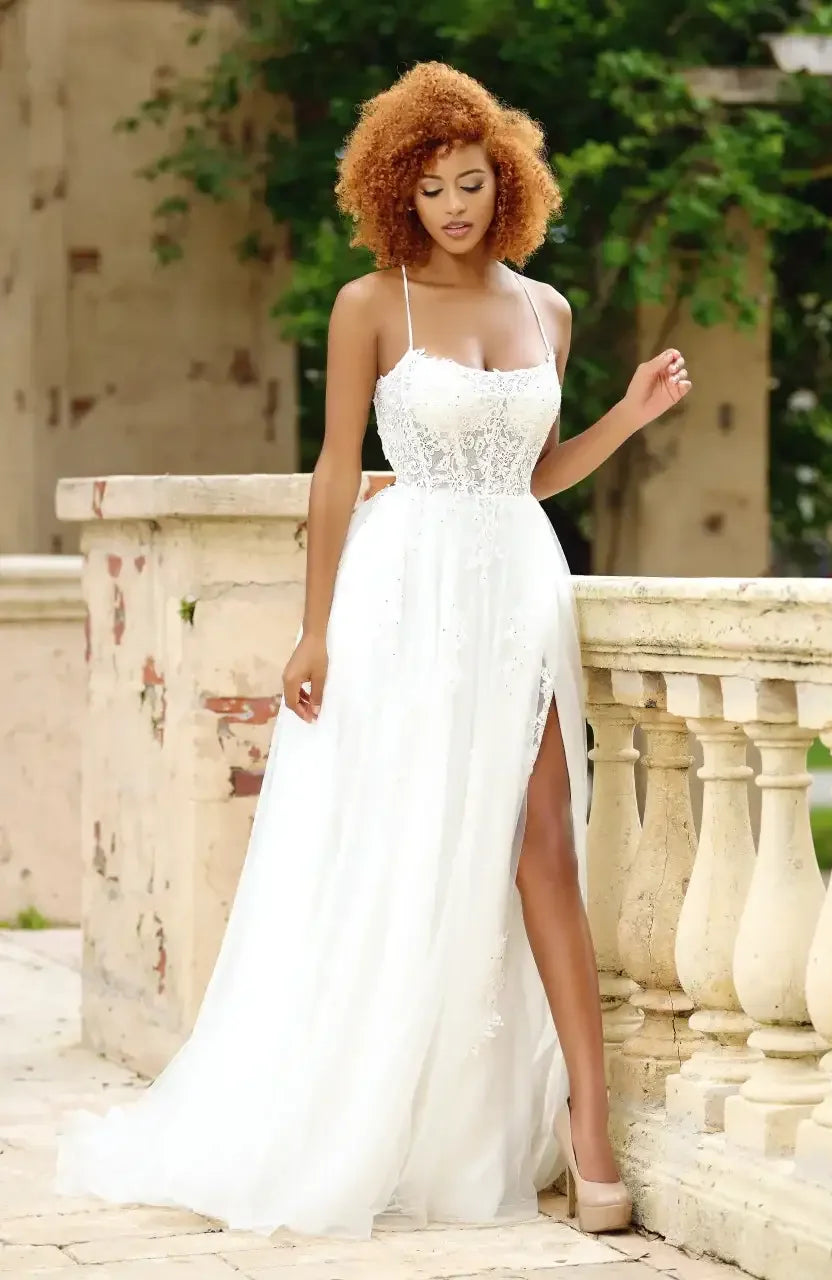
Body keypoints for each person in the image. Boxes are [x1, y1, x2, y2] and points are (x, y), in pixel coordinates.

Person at [55, 61, 691, 1240]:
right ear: (397, 188)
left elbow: (534, 475)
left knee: (540, 838)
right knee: (400, 839)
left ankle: (586, 1121)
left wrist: (632, 414)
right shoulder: (372, 304)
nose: (455, 203)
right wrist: (313, 622)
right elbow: (338, 465)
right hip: (401, 593)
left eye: (473, 180)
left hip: (518, 579)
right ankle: (375, 1102)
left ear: (508, 182)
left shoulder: (546, 307)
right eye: (435, 185)